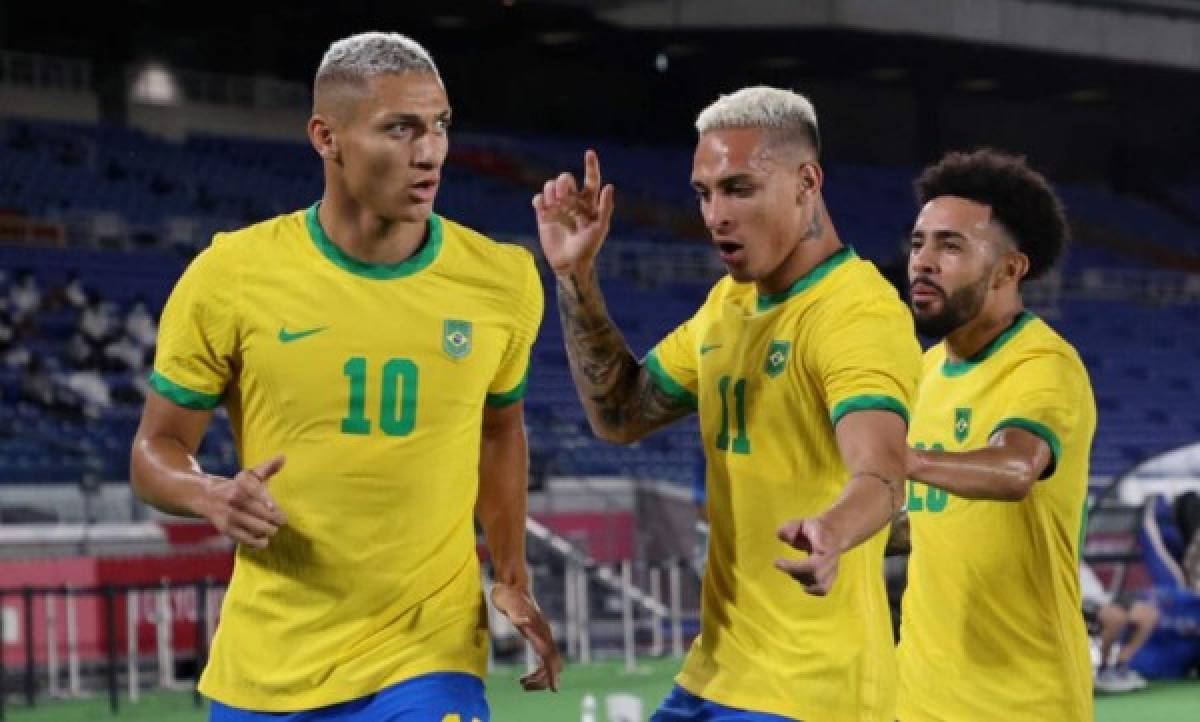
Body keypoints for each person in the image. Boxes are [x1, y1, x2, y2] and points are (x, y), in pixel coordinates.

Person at [129, 32, 560, 722]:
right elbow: (154, 451)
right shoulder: (232, 275)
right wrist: (207, 492)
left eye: (440, 126)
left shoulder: (503, 281)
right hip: (267, 666)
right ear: (326, 137)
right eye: (400, 129)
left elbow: (499, 432)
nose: (430, 152)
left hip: (428, 652)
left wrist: (512, 576)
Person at [534, 86, 921, 721]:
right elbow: (620, 415)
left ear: (806, 181)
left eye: (739, 188)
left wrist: (831, 531)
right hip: (716, 677)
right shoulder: (727, 307)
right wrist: (576, 277)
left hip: (810, 692)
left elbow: (881, 471)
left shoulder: (857, 313)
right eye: (704, 193)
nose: (715, 215)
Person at [894, 149, 1096, 720]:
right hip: (917, 699)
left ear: (1010, 270)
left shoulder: (1043, 366)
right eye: (918, 243)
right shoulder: (927, 373)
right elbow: (932, 517)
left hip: (1023, 704)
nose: (922, 262)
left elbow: (1014, 470)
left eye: (950, 245)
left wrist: (902, 458)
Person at [1081, 561, 1157, 692]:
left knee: (1148, 615)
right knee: (1116, 617)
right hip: (1081, 602)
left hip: (1104, 599)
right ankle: (1102, 670)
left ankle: (1120, 666)